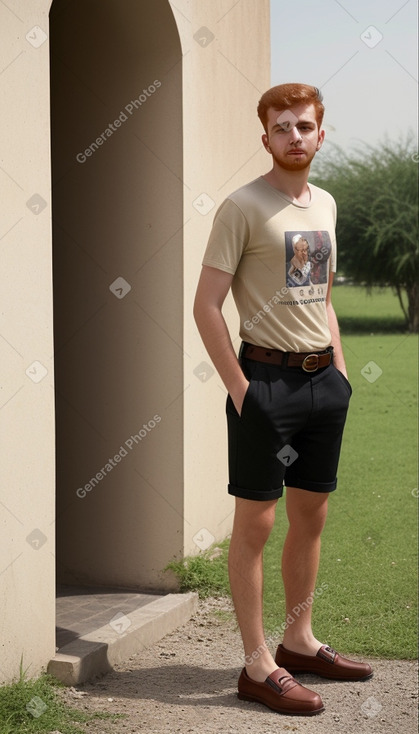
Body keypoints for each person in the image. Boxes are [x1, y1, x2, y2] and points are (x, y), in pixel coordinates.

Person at [193, 83, 372, 717]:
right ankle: (257, 664)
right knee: (257, 524)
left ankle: (298, 640)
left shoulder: (325, 203)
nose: (294, 136)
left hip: (324, 384)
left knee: (311, 516)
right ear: (265, 136)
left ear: (321, 134)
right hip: (264, 383)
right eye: (282, 127)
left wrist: (341, 372)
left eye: (304, 126)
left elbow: (322, 297)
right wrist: (243, 392)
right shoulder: (242, 207)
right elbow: (205, 307)